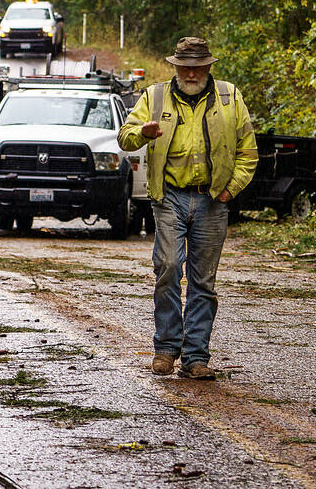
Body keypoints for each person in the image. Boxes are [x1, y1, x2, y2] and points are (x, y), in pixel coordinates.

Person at [118, 36, 258, 380]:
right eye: (185, 67)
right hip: (169, 197)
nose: (191, 73)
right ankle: (166, 349)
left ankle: (196, 358)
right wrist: (143, 133)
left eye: (197, 67)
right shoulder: (155, 96)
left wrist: (229, 191)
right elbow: (125, 137)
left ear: (209, 66)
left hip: (213, 199)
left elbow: (248, 152)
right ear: (175, 67)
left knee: (203, 282)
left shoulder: (230, 96)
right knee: (167, 267)